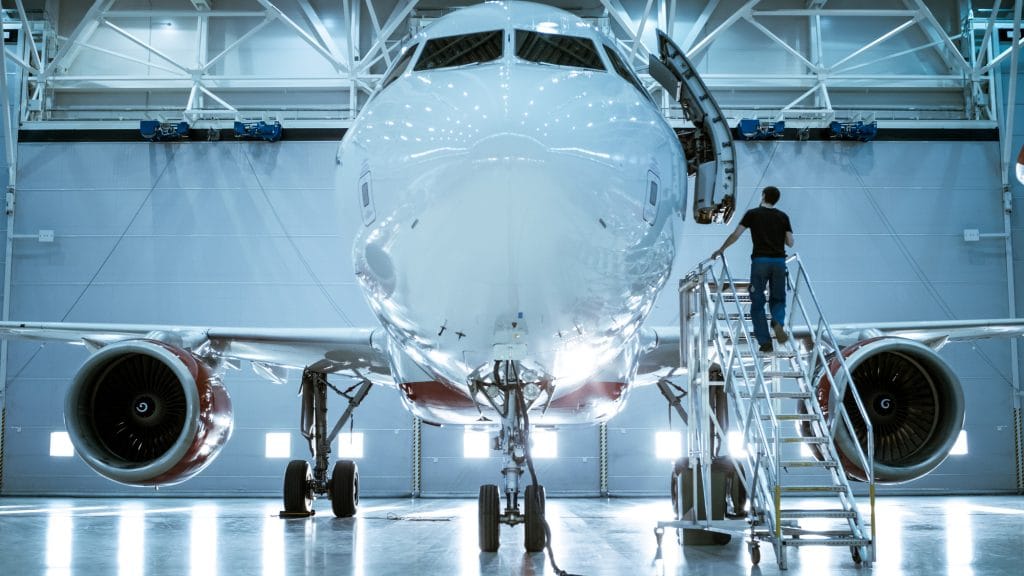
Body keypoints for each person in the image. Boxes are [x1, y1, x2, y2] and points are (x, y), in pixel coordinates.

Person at [710, 186, 794, 353]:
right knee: (778, 299)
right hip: (779, 263)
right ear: (776, 200)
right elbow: (790, 242)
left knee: (757, 303)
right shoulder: (783, 216)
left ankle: (765, 342)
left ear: (763, 196)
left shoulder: (752, 214)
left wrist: (721, 249)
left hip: (760, 262)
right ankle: (778, 322)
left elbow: (736, 234)